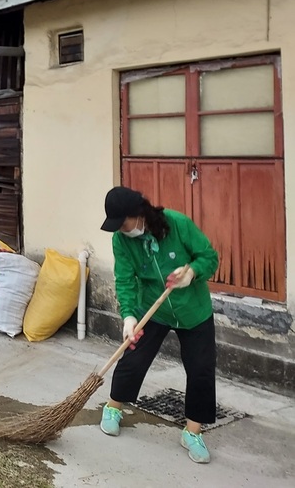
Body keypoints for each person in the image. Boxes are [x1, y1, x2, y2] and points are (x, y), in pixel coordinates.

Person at [99, 186, 219, 464]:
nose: (121, 230)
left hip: (193, 309)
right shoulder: (121, 239)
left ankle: (192, 432)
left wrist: (191, 272)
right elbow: (125, 279)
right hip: (153, 307)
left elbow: (209, 257)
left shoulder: (177, 224)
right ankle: (114, 407)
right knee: (133, 356)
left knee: (201, 369)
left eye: (123, 223)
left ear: (138, 214)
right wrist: (128, 316)